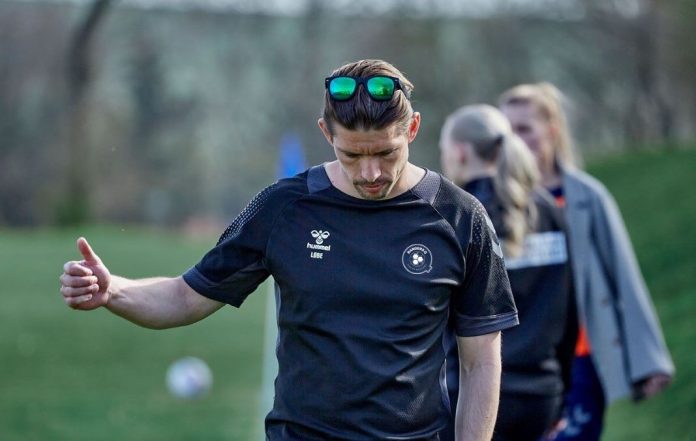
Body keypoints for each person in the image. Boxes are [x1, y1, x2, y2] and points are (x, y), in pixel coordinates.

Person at [59, 59, 520, 441]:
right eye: (352, 155)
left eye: (385, 153)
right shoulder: (283, 207)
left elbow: (481, 359)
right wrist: (113, 290)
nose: (370, 173)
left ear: (413, 128)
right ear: (326, 133)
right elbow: (185, 296)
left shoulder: (461, 218)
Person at [498, 82, 675, 440]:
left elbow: (623, 276)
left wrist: (650, 360)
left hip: (581, 358)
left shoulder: (587, 197)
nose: (515, 140)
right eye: (507, 131)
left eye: (525, 128)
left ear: (551, 130)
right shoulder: (496, 203)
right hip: (519, 359)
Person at [438, 104, 577, 441]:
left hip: (470, 398)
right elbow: (570, 311)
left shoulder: (454, 216)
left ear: (459, 152)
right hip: (541, 397)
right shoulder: (549, 210)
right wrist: (562, 390)